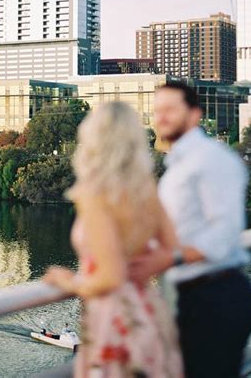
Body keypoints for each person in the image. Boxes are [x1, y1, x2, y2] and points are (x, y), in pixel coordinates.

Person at [130, 80, 251, 378]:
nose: (161, 117)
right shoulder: (179, 166)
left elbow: (224, 235)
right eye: (157, 110)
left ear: (194, 114)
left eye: (170, 110)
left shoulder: (212, 159)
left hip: (218, 299)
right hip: (194, 299)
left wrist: (169, 258)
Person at [44, 102, 183, 377]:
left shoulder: (94, 195)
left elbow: (110, 276)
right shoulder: (146, 190)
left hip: (112, 320)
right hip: (147, 311)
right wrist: (138, 269)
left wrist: (68, 282)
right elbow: (173, 248)